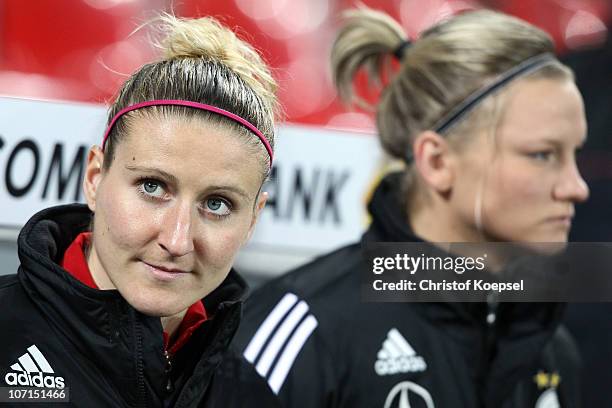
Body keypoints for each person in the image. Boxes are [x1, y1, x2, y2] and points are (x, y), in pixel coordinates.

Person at [233, 7, 589, 408]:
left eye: (574, 154)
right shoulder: (306, 333)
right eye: (542, 155)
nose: (577, 188)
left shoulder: (549, 349)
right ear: (437, 162)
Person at [0, 14, 281, 407]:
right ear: (96, 178)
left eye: (217, 204)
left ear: (253, 219)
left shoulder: (252, 392)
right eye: (153, 187)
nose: (177, 240)